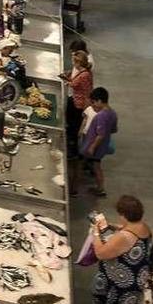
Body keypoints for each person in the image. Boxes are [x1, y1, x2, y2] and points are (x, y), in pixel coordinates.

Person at [90, 195, 153, 304]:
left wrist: (95, 232)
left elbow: (100, 253)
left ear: (123, 215)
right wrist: (111, 226)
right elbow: (127, 228)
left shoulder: (124, 237)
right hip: (137, 278)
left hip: (121, 284)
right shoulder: (144, 227)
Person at [62, 50, 93, 196]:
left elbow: (75, 85)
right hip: (76, 101)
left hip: (78, 105)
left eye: (75, 61)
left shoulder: (84, 74)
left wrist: (66, 80)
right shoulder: (84, 72)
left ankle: (73, 149)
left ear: (79, 62)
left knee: (73, 128)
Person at [80, 87, 118, 197]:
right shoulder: (113, 113)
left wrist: (92, 147)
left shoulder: (101, 115)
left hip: (96, 146)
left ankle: (100, 188)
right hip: (104, 145)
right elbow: (114, 130)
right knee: (96, 165)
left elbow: (100, 134)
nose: (92, 106)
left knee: (95, 166)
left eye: (93, 102)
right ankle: (99, 187)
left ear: (100, 101)